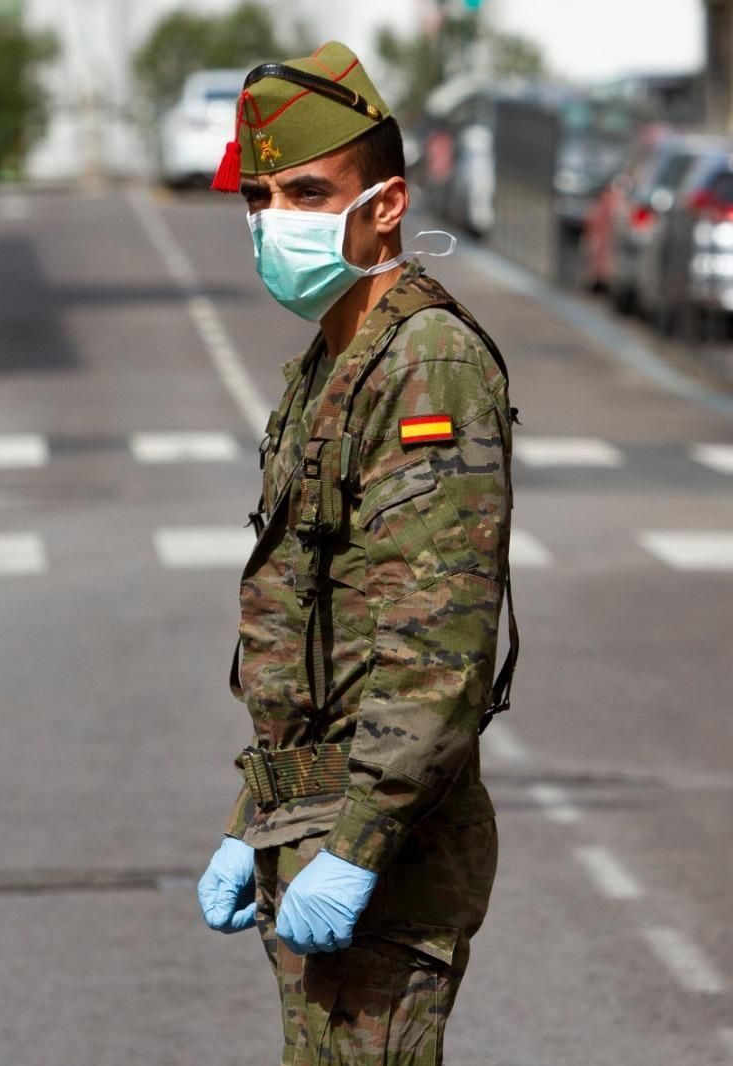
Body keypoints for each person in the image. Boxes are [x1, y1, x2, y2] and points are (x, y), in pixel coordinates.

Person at [195, 41, 520, 1065]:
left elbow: (435, 646)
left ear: (384, 205)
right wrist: (256, 819)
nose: (272, 222)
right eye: (258, 198)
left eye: (303, 192)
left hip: (387, 848)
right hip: (318, 822)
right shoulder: (331, 356)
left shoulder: (425, 362)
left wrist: (358, 845)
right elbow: (314, 629)